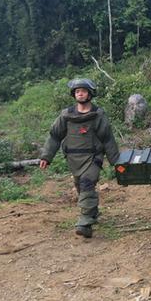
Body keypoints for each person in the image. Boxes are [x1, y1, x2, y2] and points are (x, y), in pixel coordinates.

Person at [39, 78, 120, 239]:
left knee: (87, 183)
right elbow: (55, 136)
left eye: (83, 91)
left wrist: (116, 163)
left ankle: (85, 222)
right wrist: (46, 156)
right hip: (73, 159)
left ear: (90, 94)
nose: (80, 94)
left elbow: (107, 139)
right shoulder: (66, 115)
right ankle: (92, 212)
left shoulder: (98, 115)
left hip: (93, 158)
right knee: (81, 187)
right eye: (77, 91)